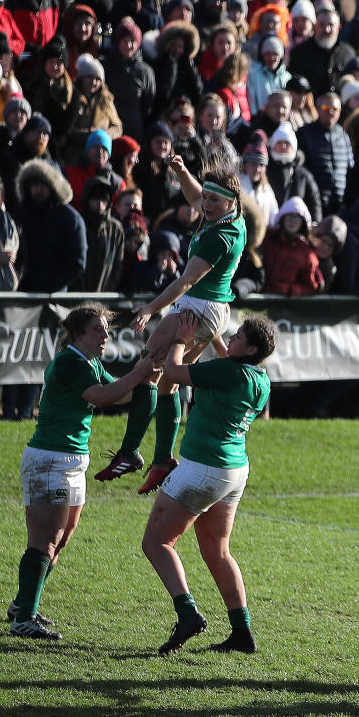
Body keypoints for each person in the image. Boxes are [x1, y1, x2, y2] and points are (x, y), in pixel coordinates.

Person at [95, 156, 246, 495]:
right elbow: (195, 196)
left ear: (230, 201)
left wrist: (151, 307)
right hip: (212, 309)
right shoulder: (232, 216)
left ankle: (131, 452)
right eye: (205, 197)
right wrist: (181, 172)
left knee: (148, 369)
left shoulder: (217, 236)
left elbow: (188, 281)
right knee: (167, 382)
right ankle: (162, 459)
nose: (205, 204)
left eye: (213, 199)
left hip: (197, 307)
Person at [10, 305, 160, 639]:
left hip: (72, 461)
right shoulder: (70, 362)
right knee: (44, 540)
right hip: (50, 458)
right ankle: (24, 619)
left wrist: (149, 372)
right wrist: (139, 372)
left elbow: (122, 393)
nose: (105, 335)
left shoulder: (89, 362)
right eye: (98, 329)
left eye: (106, 328)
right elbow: (103, 397)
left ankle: (22, 603)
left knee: (62, 539)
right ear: (78, 333)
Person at [141, 312, 275, 656]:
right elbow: (228, 364)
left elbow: (171, 372)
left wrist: (182, 340)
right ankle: (242, 632)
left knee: (157, 542)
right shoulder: (259, 378)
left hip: (202, 469)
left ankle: (188, 614)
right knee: (217, 549)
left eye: (239, 336)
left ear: (251, 348)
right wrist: (214, 334)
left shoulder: (227, 370)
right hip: (233, 472)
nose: (231, 337)